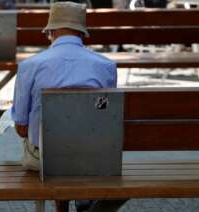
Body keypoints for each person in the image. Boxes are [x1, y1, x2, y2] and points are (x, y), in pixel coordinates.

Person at [11, 1, 127, 211]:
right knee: (78, 140)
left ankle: (62, 208)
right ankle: (84, 201)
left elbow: (21, 128)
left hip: (46, 162)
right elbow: (105, 117)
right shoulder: (106, 66)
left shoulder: (30, 66)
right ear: (82, 34)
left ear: (51, 32)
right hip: (94, 159)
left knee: (50, 146)